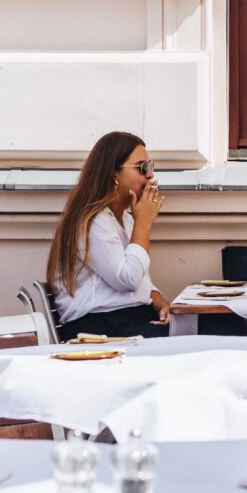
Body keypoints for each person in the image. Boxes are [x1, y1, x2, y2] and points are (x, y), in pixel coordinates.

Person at [47, 131, 171, 340]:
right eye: (142, 167)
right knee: (200, 335)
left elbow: (142, 282)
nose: (150, 175)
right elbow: (127, 279)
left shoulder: (127, 220)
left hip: (129, 321)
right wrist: (144, 224)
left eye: (151, 167)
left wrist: (161, 303)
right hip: (99, 327)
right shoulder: (92, 221)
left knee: (208, 327)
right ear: (114, 174)